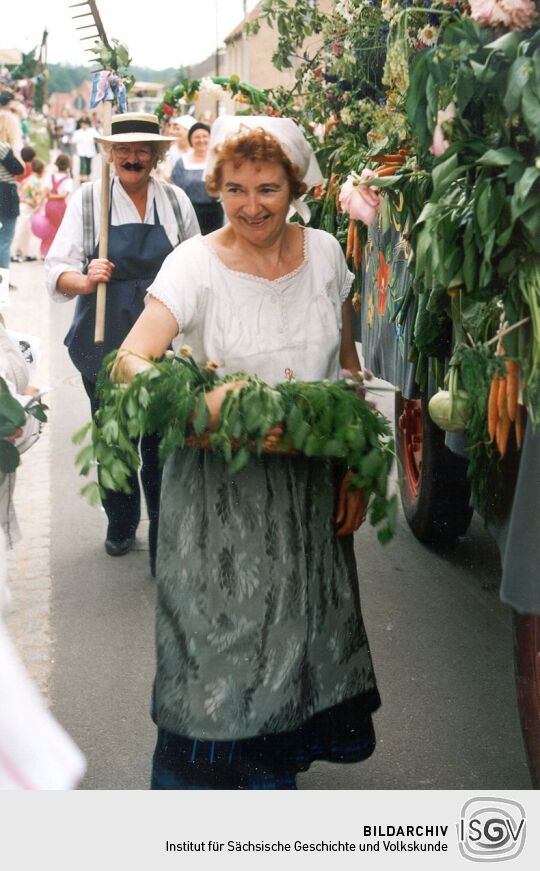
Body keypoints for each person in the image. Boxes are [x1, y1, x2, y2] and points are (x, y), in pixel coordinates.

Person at [114, 116, 380, 789]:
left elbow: (347, 370)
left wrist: (354, 468)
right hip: (218, 499)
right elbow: (129, 362)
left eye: (268, 187)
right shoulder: (194, 264)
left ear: (295, 186)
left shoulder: (324, 253)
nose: (251, 205)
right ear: (217, 188)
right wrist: (204, 404)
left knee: (294, 647)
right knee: (217, 655)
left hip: (306, 494)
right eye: (234, 189)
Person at [45, 113, 199, 572]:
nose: (133, 158)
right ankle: (120, 522)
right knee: (114, 435)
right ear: (111, 154)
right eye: (124, 149)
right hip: (105, 334)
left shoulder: (175, 201)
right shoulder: (88, 201)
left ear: (156, 156)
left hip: (163, 335)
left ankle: (165, 528)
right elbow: (57, 271)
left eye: (142, 150)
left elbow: (199, 262)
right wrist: (86, 278)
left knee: (161, 437)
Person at [171, 121, 223, 234]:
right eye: (197, 137)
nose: (201, 140)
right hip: (190, 212)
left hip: (215, 212)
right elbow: (176, 186)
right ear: (191, 140)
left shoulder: (218, 160)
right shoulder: (182, 162)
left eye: (205, 136)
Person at [0, 110, 23, 283]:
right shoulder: (4, 148)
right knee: (5, 241)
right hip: (5, 194)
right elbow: (18, 169)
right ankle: (3, 281)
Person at [12, 156, 47, 262]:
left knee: (24, 231)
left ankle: (24, 252)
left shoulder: (28, 179)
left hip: (23, 206)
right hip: (27, 208)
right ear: (41, 170)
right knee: (22, 231)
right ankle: (14, 253)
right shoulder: (36, 182)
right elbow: (36, 200)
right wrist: (44, 195)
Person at [39, 153, 73, 257]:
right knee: (60, 229)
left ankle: (45, 252)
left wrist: (48, 197)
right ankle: (57, 252)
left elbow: (45, 192)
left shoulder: (51, 177)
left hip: (49, 205)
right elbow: (64, 195)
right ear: (68, 166)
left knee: (49, 228)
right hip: (60, 206)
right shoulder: (68, 180)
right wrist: (55, 196)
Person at [156, 115, 195, 183]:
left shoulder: (197, 152)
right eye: (172, 129)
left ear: (189, 131)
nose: (172, 132)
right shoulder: (169, 152)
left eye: (177, 129)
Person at [72, 117, 97, 182]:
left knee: (88, 164)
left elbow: (97, 138)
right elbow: (74, 140)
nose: (83, 125)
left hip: (90, 151)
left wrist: (95, 140)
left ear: (88, 124)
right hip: (81, 151)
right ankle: (82, 177)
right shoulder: (78, 132)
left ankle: (88, 176)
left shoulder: (92, 131)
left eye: (85, 124)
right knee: (83, 164)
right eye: (82, 124)